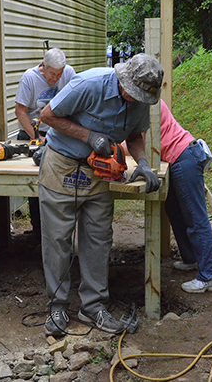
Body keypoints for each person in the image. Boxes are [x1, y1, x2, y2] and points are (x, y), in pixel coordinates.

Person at [38, 53, 164, 336]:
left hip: (99, 173)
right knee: (57, 239)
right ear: (123, 79)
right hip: (63, 164)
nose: (134, 99)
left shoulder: (141, 98)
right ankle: (57, 307)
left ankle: (93, 307)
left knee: (98, 239)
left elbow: (134, 135)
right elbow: (47, 115)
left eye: (140, 96)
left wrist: (142, 163)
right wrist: (88, 136)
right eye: (132, 93)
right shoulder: (88, 84)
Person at [160, 99, 212, 293]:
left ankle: (210, 276)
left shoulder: (148, 103)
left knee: (196, 218)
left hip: (184, 157)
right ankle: (192, 258)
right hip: (179, 158)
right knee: (174, 210)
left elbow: (136, 140)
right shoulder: (142, 101)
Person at [15, 48, 76, 239]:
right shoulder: (29, 78)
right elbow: (20, 111)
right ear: (44, 66)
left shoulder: (69, 74)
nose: (56, 78)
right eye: (52, 74)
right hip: (33, 133)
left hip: (59, 133)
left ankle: (60, 230)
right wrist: (35, 137)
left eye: (59, 74)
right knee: (37, 179)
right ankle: (38, 230)